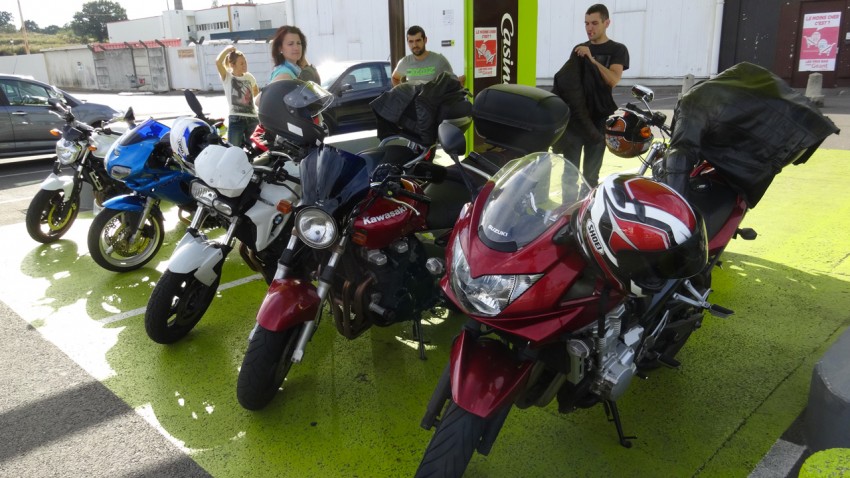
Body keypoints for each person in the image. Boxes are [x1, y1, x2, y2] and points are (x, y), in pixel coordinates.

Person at [552, 4, 628, 187]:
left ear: (606, 23)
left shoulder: (618, 50)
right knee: (569, 176)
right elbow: (568, 82)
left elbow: (613, 80)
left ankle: (587, 213)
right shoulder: (579, 49)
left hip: (599, 120)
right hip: (577, 120)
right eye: (586, 23)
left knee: (591, 177)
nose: (589, 28)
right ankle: (568, 213)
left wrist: (592, 60)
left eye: (594, 23)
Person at [215, 45, 259, 148]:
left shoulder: (249, 77)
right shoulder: (227, 77)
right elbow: (218, 62)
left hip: (253, 119)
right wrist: (227, 50)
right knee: (233, 150)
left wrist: (247, 98)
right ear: (232, 65)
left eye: (245, 62)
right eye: (242, 63)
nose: (245, 65)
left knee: (257, 150)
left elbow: (256, 90)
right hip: (236, 120)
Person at [391, 25, 465, 86]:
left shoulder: (439, 60)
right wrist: (402, 95)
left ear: (425, 40)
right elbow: (395, 78)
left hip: (434, 103)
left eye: (418, 40)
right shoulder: (404, 62)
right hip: (413, 103)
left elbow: (453, 82)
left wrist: (460, 81)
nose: (414, 45)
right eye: (411, 41)